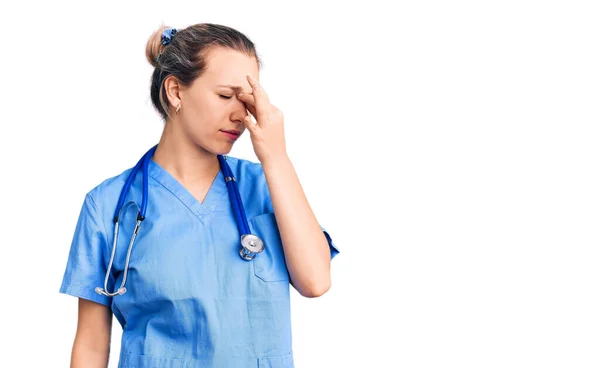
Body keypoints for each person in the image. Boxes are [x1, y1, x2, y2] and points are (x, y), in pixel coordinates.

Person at [59, 22, 340, 367]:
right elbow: (90, 345)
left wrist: (277, 157)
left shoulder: (268, 185)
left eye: (247, 99)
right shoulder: (108, 205)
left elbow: (315, 281)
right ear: (175, 91)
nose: (240, 114)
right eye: (225, 96)